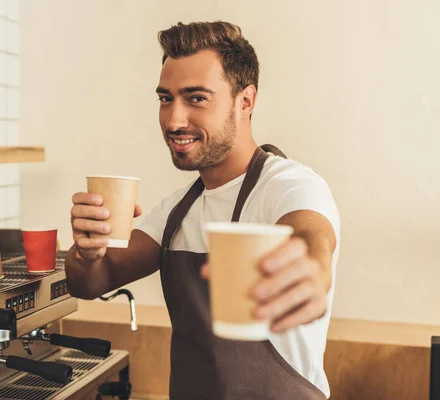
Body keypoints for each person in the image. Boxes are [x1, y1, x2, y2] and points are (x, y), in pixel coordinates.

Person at [65, 20, 340, 399]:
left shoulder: (289, 185)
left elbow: (312, 236)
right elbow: (92, 281)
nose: (174, 120)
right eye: (166, 98)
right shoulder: (177, 210)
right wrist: (87, 250)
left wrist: (311, 269)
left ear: (245, 102)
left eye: (196, 98)